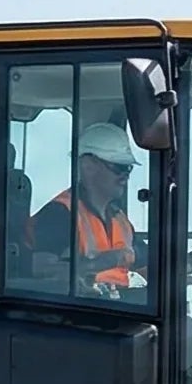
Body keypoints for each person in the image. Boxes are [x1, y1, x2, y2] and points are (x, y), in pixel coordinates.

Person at [26, 122, 144, 298]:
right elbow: (42, 273)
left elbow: (147, 265)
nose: (125, 175)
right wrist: (100, 263)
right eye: (119, 167)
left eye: (128, 168)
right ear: (88, 166)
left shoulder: (120, 219)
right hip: (83, 310)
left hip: (118, 304)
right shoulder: (59, 214)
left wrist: (184, 269)